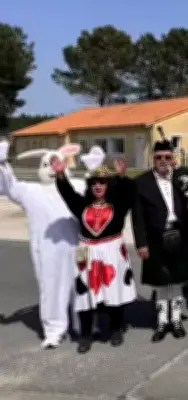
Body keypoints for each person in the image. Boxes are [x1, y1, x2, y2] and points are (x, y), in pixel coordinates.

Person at [0, 140, 84, 349]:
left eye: (57, 164)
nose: (52, 169)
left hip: (78, 245)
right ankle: (54, 330)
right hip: (47, 250)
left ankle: (84, 324)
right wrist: (2, 163)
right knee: (51, 288)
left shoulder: (78, 185)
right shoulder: (31, 191)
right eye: (48, 165)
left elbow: (98, 198)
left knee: (82, 286)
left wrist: (94, 166)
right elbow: (9, 186)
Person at [52, 149, 137, 353]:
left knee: (114, 292)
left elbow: (130, 193)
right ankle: (86, 334)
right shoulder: (82, 205)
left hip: (112, 252)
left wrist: (121, 176)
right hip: (87, 253)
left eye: (102, 182)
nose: (98, 186)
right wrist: (61, 176)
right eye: (94, 183)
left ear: (107, 185)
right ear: (90, 185)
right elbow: (68, 194)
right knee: (85, 295)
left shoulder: (118, 204)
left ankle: (116, 329)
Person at [132, 138, 188, 342]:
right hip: (156, 238)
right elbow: (137, 217)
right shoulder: (141, 182)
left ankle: (176, 320)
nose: (163, 161)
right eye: (158, 157)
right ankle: (162, 321)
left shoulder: (182, 178)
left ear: (172, 158)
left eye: (167, 157)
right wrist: (141, 243)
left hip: (180, 235)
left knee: (177, 281)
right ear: (152, 159)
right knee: (160, 282)